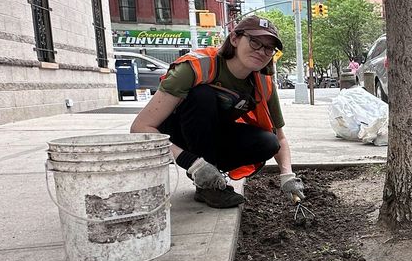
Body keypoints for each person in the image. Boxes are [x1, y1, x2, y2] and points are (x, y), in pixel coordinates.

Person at [130, 16, 305, 209]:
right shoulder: (196, 67)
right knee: (202, 95)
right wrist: (192, 162)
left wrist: (287, 175)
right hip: (179, 135)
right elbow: (140, 128)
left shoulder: (264, 82)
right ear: (235, 39)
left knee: (268, 142)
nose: (261, 52)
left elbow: (280, 138)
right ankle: (207, 184)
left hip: (216, 135)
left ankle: (211, 174)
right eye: (255, 42)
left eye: (268, 48)